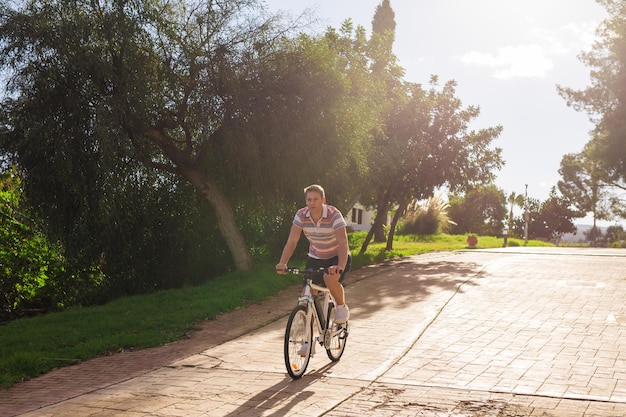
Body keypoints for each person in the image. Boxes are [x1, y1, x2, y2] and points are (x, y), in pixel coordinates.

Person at [276, 184, 351, 324]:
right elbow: (292, 241)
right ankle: (307, 342)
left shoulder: (333, 214)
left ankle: (341, 307)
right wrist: (282, 263)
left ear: (323, 200)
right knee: (306, 299)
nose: (312, 203)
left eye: (315, 199)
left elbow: (343, 243)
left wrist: (339, 266)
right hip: (315, 257)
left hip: (336, 256)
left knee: (329, 279)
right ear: (306, 201)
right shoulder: (301, 215)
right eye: (309, 199)